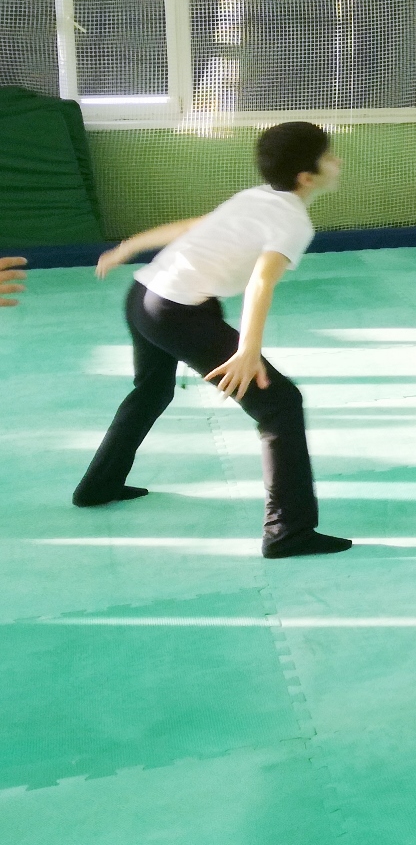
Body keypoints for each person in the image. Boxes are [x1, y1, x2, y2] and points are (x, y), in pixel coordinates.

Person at [78, 122, 352, 558]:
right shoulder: (292, 221)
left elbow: (193, 225)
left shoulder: (256, 196)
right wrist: (248, 352)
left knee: (151, 389)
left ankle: (98, 485)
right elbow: (261, 282)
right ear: (307, 176)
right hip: (174, 312)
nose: (337, 161)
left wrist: (129, 247)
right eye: (329, 156)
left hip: (143, 294)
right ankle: (289, 532)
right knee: (279, 403)